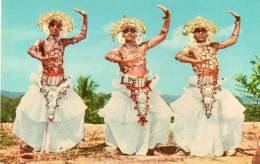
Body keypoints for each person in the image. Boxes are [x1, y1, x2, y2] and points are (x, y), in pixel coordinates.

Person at [98, 5, 173, 156]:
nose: (130, 33)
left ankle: (150, 147)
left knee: (159, 116)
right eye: (126, 31)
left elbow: (163, 35)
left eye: (133, 30)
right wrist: (122, 61)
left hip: (145, 87)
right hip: (127, 89)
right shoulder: (119, 49)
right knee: (118, 118)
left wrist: (167, 17)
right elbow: (108, 55)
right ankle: (121, 146)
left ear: (138, 33)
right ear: (122, 35)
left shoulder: (143, 47)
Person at [171, 11, 245, 156]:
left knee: (232, 114)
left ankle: (227, 146)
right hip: (198, 86)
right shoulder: (191, 48)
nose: (200, 33)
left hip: (216, 86)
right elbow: (178, 56)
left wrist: (237, 22)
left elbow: (232, 40)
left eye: (203, 30)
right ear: (193, 34)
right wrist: (195, 61)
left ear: (207, 33)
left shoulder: (214, 46)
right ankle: (186, 148)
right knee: (190, 116)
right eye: (197, 30)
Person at [13, 8, 88, 153]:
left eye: (59, 25)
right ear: (48, 27)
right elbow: (30, 51)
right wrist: (43, 58)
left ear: (62, 29)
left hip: (60, 82)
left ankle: (63, 142)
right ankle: (32, 142)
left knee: (70, 111)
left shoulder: (63, 42)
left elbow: (82, 36)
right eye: (52, 25)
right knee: (30, 111)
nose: (55, 27)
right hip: (45, 82)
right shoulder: (41, 42)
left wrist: (85, 17)